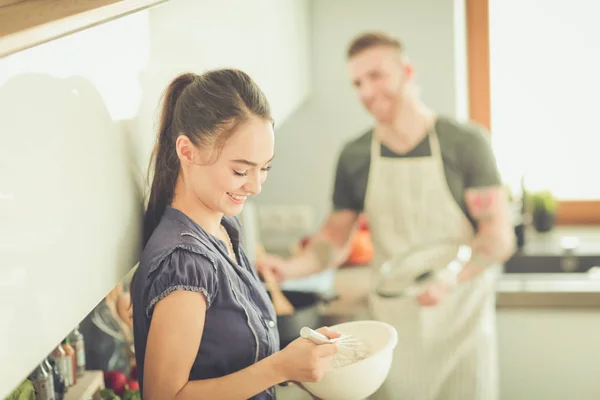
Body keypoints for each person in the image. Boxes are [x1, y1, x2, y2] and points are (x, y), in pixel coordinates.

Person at [258, 33, 516, 400]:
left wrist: (451, 277)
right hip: (394, 325)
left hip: (462, 321)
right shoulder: (356, 155)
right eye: (358, 83)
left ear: (406, 71)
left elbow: (497, 235)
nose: (366, 91)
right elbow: (334, 238)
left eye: (376, 75)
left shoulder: (465, 142)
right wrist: (289, 268)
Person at [130, 69, 339, 400]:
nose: (255, 186)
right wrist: (280, 367)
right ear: (187, 151)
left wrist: (295, 363)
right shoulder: (185, 263)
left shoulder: (226, 228)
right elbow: (164, 397)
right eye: (241, 171)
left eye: (264, 168)